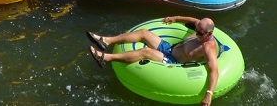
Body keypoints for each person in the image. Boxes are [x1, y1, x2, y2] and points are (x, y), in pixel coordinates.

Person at [87, 16, 219, 105]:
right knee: (144, 32)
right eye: (196, 31)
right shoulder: (200, 29)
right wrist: (175, 18)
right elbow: (194, 20)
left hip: (173, 62)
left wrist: (209, 94)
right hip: (170, 48)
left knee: (146, 52)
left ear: (209, 33)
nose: (196, 34)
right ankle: (105, 40)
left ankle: (105, 58)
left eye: (200, 33)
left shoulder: (208, 48)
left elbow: (214, 71)